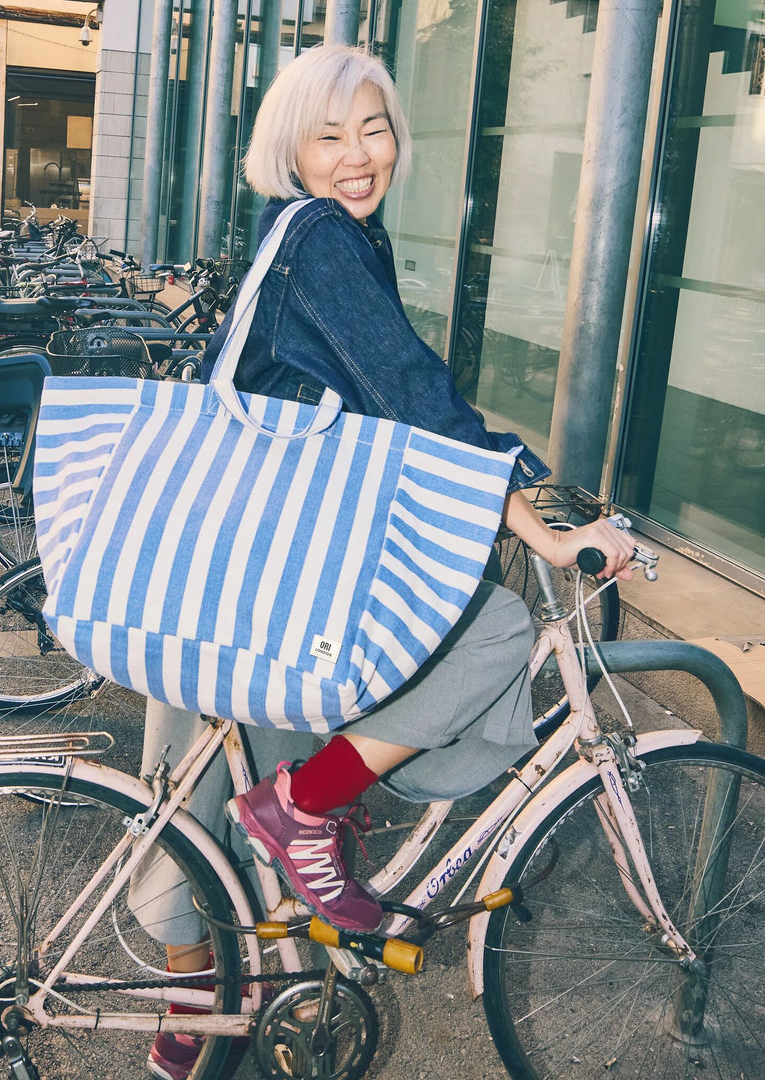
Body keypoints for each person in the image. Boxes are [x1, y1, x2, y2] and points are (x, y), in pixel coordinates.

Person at [137, 44, 635, 1080]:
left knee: (199, 780)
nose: (358, 154)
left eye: (375, 129)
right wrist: (551, 514)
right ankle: (307, 813)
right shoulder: (323, 238)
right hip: (265, 560)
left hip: (244, 547)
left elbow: (385, 412)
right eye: (330, 134)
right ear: (292, 147)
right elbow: (417, 396)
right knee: (495, 627)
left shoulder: (327, 237)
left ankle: (223, 985)